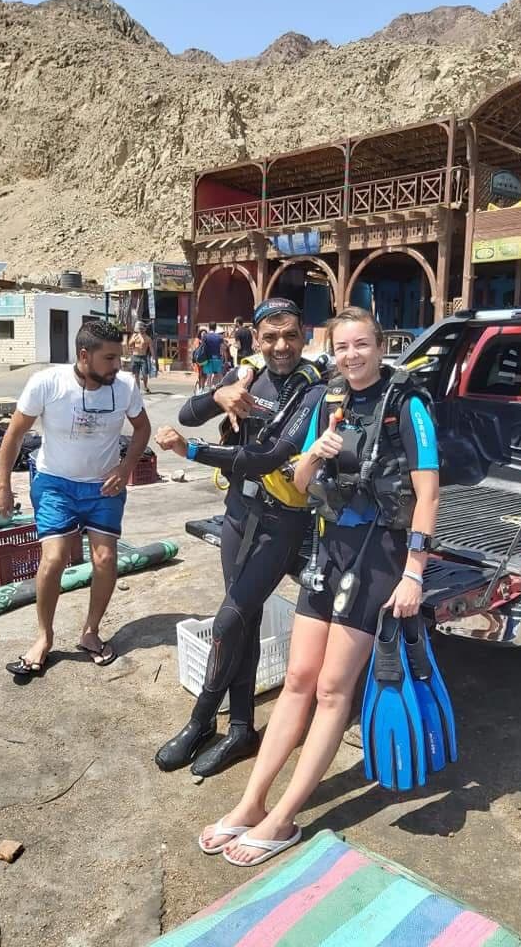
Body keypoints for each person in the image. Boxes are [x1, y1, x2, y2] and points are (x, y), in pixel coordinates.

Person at [202, 307, 440, 865]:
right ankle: (250, 804)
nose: (352, 356)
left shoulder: (407, 404)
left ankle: (284, 818)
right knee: (298, 680)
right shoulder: (330, 400)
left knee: (333, 689)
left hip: (379, 555)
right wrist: (316, 451)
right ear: (332, 352)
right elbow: (302, 480)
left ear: (380, 347)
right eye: (342, 347)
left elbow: (429, 494)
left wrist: (414, 572)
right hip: (329, 548)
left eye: (362, 345)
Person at [153, 298, 327, 780]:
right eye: (270, 337)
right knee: (244, 619)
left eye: (290, 335)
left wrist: (190, 451)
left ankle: (200, 720)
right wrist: (222, 395)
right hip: (238, 511)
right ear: (255, 338)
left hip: (281, 522)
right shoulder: (246, 374)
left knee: (229, 620)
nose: (281, 346)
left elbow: (270, 456)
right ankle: (241, 728)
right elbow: (188, 411)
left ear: (304, 335)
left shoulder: (313, 389)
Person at [0, 321, 151, 676]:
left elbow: (142, 428)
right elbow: (14, 434)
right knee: (54, 559)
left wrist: (126, 467)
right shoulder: (47, 383)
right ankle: (44, 637)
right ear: (84, 355)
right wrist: (2, 484)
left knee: (106, 558)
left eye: (119, 357)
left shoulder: (125, 386)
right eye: (109, 358)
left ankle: (91, 631)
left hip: (104, 487)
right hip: (55, 484)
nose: (117, 366)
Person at [129, 321, 153, 393]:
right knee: (136, 374)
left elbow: (151, 348)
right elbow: (129, 344)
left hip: (143, 357)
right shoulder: (135, 336)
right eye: (139, 329)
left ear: (145, 329)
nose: (141, 330)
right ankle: (138, 389)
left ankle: (145, 386)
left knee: (145, 374)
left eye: (142, 329)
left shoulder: (148, 338)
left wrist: (153, 358)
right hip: (135, 356)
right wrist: (133, 340)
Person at [203, 322, 225, 388]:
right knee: (220, 375)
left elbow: (203, 347)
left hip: (208, 358)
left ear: (209, 327)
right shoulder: (219, 337)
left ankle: (209, 390)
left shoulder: (205, 336)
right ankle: (222, 389)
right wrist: (222, 356)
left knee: (209, 376)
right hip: (217, 358)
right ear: (215, 328)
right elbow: (222, 348)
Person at [191, 325, 208, 395]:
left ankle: (202, 388)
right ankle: (200, 388)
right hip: (199, 360)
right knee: (200, 374)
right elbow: (194, 351)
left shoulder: (206, 341)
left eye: (205, 333)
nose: (203, 334)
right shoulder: (197, 341)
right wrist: (193, 361)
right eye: (202, 333)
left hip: (205, 360)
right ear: (200, 333)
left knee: (205, 375)